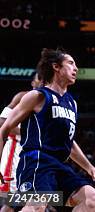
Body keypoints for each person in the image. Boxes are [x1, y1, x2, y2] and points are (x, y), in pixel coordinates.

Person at [0, 48, 95, 212]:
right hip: (36, 162)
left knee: (91, 199)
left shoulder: (72, 103)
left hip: (59, 165)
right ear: (56, 67)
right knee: (34, 205)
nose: (76, 68)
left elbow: (69, 143)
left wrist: (90, 167)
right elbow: (4, 128)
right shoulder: (36, 96)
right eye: (71, 63)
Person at [0, 73, 42, 212]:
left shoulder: (49, 101)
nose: (42, 81)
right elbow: (1, 123)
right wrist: (30, 134)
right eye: (39, 78)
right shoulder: (22, 97)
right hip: (16, 152)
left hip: (35, 157)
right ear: (33, 83)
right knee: (12, 202)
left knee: (34, 202)